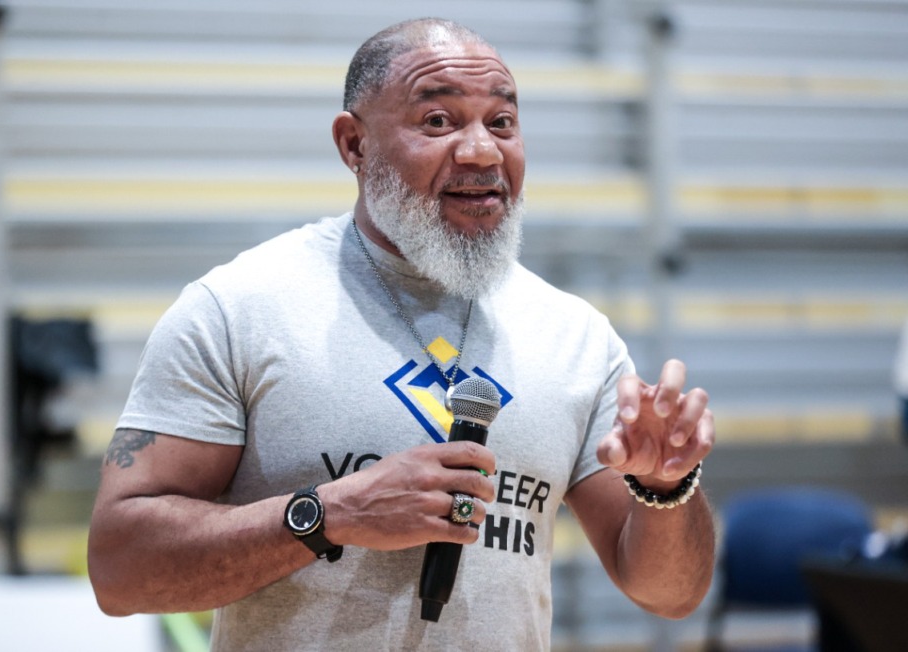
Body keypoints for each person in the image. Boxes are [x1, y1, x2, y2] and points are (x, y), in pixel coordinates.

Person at [87, 17, 716, 651]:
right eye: (439, 122)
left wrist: (666, 487)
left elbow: (669, 593)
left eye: (502, 122)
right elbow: (121, 570)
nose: (482, 151)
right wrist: (331, 515)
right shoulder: (239, 309)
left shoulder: (577, 336)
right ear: (354, 145)